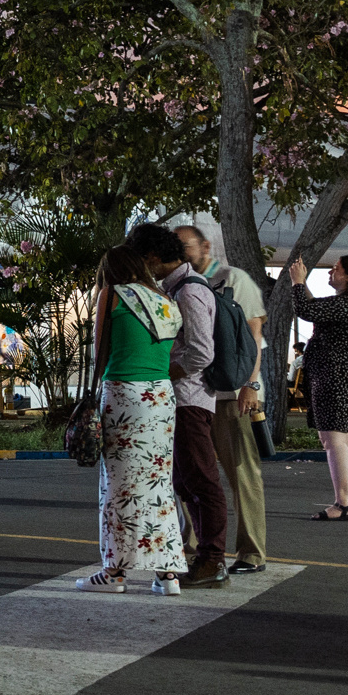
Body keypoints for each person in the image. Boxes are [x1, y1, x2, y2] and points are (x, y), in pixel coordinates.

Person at [75, 243, 187, 595]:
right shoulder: (167, 301)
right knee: (157, 485)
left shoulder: (112, 295)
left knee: (118, 487)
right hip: (161, 396)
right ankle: (167, 574)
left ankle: (114, 573)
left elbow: (100, 352)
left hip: (123, 392)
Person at [130, 221, 227, 589]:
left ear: (154, 258)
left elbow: (202, 351)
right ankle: (203, 555)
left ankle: (212, 559)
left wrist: (167, 371)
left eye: (142, 261)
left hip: (189, 398)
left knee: (201, 480)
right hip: (180, 399)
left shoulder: (189, 292)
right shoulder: (175, 288)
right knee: (185, 481)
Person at [173, 221, 269, 570]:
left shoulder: (232, 279)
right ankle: (195, 547)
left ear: (205, 247)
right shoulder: (177, 285)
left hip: (230, 392)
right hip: (194, 394)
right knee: (189, 473)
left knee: (241, 472)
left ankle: (251, 551)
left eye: (185, 246)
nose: (180, 252)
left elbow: (253, 335)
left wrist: (251, 384)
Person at [288, 253, 348, 520]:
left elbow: (305, 310)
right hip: (344, 374)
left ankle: (343, 503)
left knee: (333, 440)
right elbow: (315, 307)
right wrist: (302, 284)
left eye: (335, 269)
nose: (330, 273)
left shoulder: (347, 304)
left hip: (333, 375)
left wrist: (297, 282)